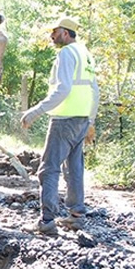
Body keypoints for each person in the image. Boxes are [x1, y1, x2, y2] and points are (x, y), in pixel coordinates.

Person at [21, 16, 100, 234]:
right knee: (74, 168)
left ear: (65, 33)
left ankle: (46, 221)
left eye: (55, 32)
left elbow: (63, 89)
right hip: (81, 119)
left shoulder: (66, 53)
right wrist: (90, 121)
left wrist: (35, 111)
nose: (52, 36)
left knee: (48, 169)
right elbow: (95, 91)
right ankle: (76, 215)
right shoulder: (86, 54)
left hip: (65, 119)